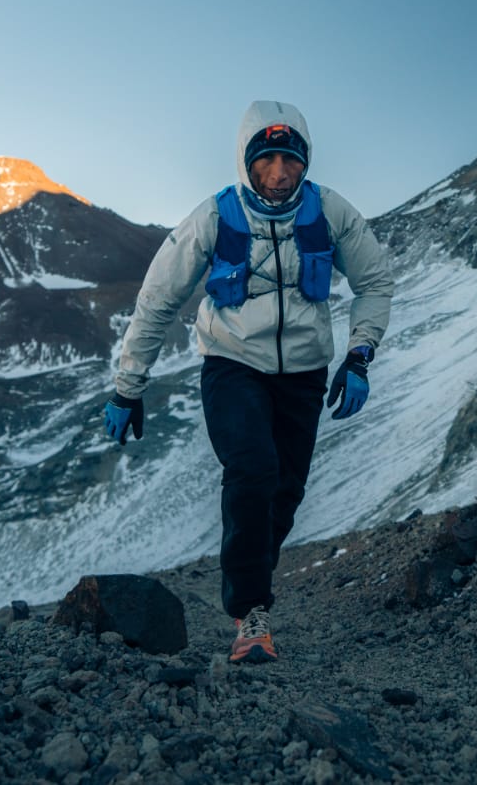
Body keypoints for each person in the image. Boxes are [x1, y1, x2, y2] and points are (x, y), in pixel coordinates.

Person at [101, 100, 395, 664]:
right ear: (246, 162)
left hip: (304, 373)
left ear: (305, 161)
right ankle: (250, 614)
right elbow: (158, 301)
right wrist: (127, 387)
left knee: (284, 492)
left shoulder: (330, 212)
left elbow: (375, 281)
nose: (280, 174)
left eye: (290, 160)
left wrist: (360, 355)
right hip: (232, 364)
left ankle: (251, 584)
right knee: (252, 468)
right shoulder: (213, 218)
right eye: (267, 162)